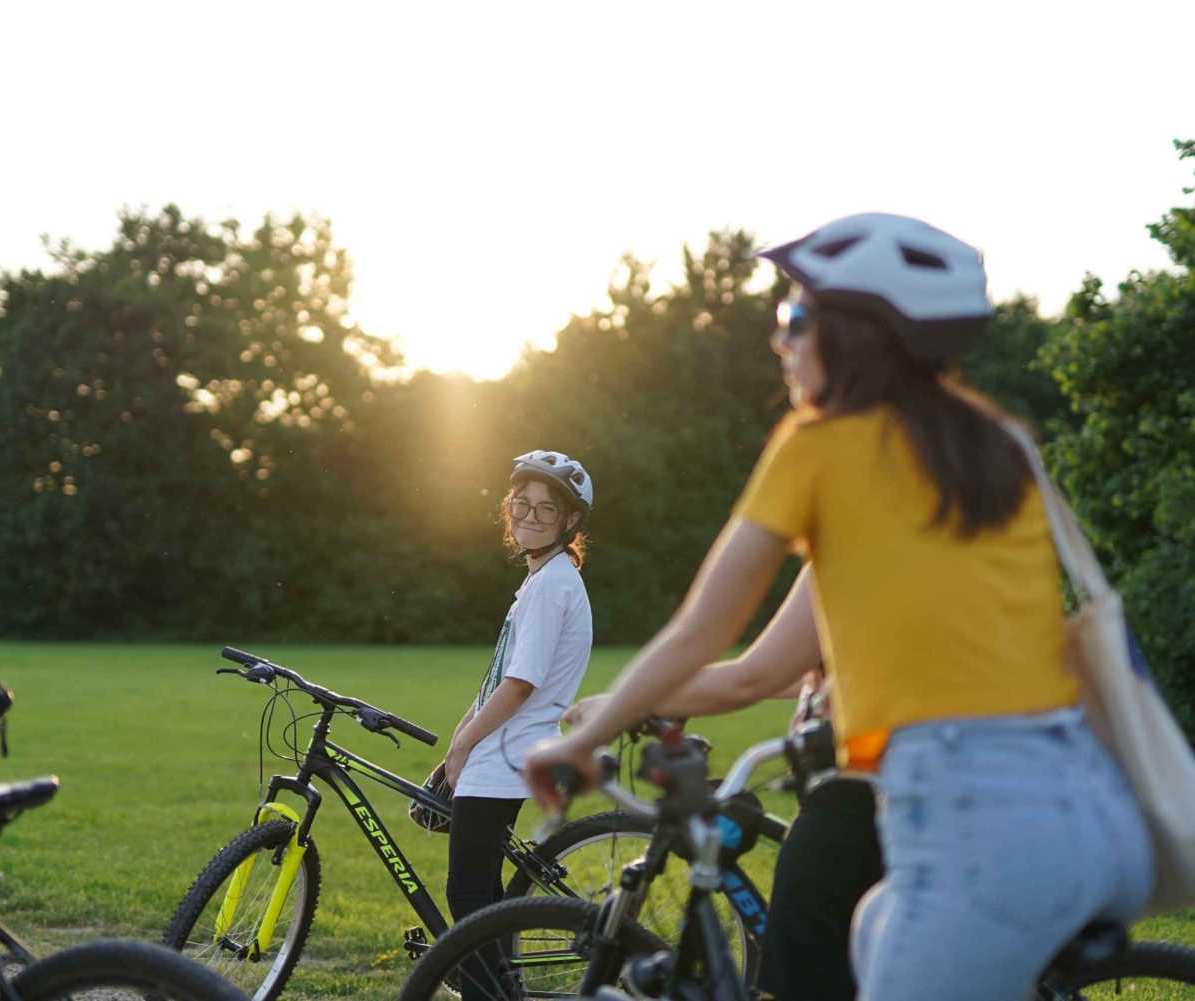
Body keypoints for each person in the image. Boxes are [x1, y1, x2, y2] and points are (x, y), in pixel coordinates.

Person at [525, 214, 1154, 1000]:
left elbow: (702, 630)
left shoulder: (821, 443)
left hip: (969, 825)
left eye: (793, 318)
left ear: (856, 335)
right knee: (869, 927)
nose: (778, 341)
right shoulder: (1001, 445)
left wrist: (584, 738)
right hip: (1093, 813)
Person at [563, 569, 883, 1001]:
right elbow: (798, 670)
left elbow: (751, 676)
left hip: (845, 806)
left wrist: (624, 705)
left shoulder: (849, 544)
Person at [439, 451, 593, 999]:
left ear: (569, 522)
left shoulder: (552, 584)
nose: (528, 517)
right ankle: (502, 990)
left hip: (505, 755)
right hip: (501, 750)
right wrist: (460, 738)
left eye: (544, 511)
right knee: (486, 894)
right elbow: (496, 679)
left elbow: (520, 684)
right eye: (520, 505)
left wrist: (464, 746)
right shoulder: (541, 580)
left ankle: (490, 995)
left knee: (470, 894)